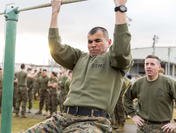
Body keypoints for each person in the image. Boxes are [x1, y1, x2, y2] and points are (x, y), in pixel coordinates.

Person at [25, 0, 132, 132]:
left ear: (109, 42)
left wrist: (120, 8)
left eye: (98, 40)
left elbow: (122, 48)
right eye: (90, 41)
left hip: (93, 121)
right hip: (65, 117)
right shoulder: (79, 57)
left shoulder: (114, 60)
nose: (93, 44)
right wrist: (55, 12)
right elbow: (56, 48)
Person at [124, 55, 176, 133]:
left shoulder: (169, 83)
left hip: (164, 128)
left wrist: (175, 123)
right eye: (146, 64)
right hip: (143, 127)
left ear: (159, 67)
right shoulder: (138, 83)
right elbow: (126, 98)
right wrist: (133, 115)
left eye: (152, 64)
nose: (148, 66)